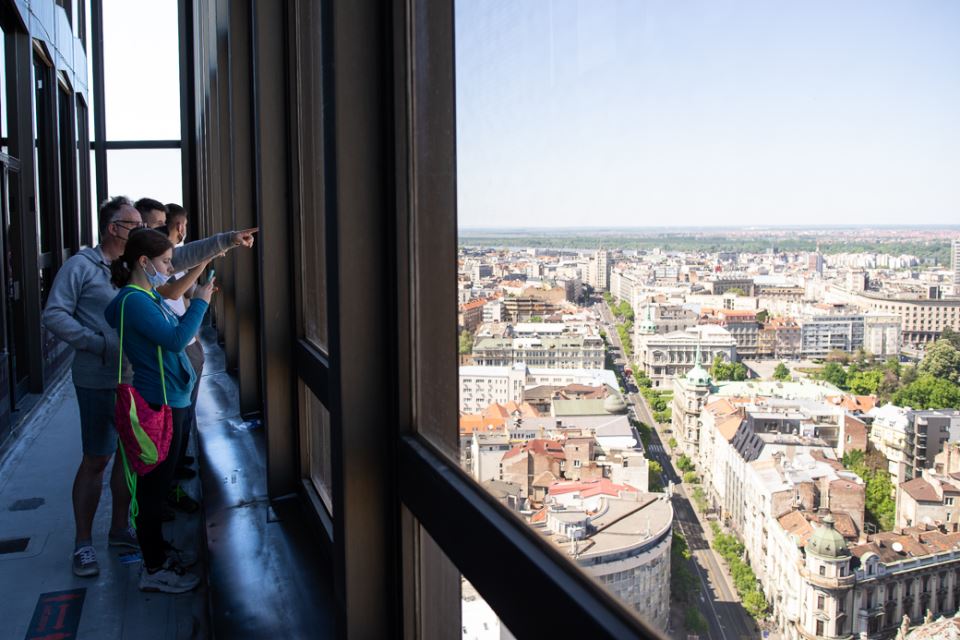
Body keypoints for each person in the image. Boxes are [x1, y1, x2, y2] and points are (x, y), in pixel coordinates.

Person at [43, 196, 258, 577]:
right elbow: (54, 314)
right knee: (97, 458)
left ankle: (121, 530)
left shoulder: (136, 272)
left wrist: (226, 241)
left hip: (138, 381)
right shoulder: (82, 266)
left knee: (133, 460)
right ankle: (83, 543)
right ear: (114, 229)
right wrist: (101, 344)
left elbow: (179, 257)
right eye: (135, 224)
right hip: (98, 378)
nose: (145, 230)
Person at [105, 228, 215, 593]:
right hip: (159, 404)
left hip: (173, 401)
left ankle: (158, 555)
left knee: (161, 483)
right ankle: (153, 568)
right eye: (166, 262)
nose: (170, 269)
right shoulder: (134, 301)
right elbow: (176, 339)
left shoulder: (146, 296)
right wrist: (200, 302)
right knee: (153, 490)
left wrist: (202, 271)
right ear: (143, 261)